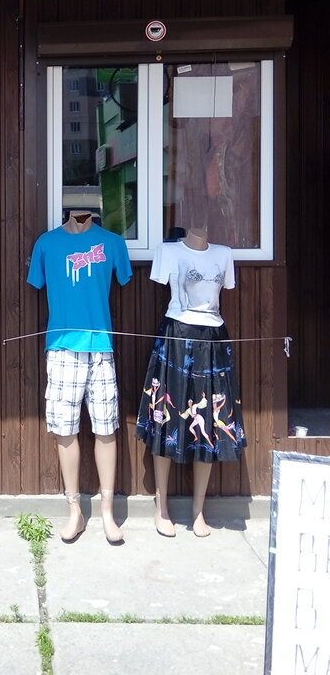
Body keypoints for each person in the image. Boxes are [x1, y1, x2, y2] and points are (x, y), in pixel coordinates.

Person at [28, 211, 133, 544]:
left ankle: (107, 511)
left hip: (101, 346)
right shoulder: (46, 244)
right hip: (62, 347)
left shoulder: (113, 243)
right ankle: (74, 510)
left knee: (106, 427)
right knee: (65, 429)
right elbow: (37, 282)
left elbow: (124, 278)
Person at [135, 227, 246, 538]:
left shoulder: (224, 253)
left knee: (209, 420)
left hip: (213, 337)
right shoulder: (168, 250)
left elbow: (224, 288)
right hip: (176, 334)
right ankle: (162, 508)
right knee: (165, 416)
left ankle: (199, 510)